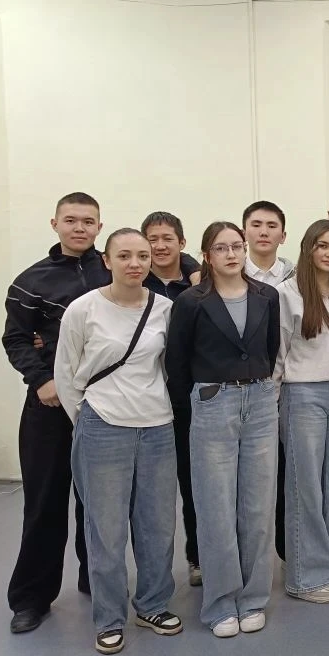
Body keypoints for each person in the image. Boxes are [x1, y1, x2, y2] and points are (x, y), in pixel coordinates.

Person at [55, 228, 182, 654]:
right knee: (105, 529)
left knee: (158, 525)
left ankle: (153, 604)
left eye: (143, 255)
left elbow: (169, 366)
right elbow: (65, 372)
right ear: (106, 261)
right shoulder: (83, 309)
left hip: (157, 426)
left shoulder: (165, 308)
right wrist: (86, 417)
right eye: (124, 255)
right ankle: (109, 617)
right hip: (103, 424)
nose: (135, 263)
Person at [2, 192, 111, 634]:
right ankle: (31, 598)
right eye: (71, 220)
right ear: (55, 224)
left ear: (100, 226)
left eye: (88, 221)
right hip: (48, 406)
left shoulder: (114, 268)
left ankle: (95, 577)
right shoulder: (31, 281)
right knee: (44, 503)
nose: (79, 228)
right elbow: (15, 339)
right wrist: (42, 380)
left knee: (99, 502)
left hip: (103, 407)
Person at [165, 221, 281, 637]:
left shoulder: (266, 296)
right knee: (215, 507)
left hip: (261, 400)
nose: (231, 254)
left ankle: (253, 598)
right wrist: (194, 405)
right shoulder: (191, 302)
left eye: (236, 246)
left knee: (257, 506)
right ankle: (220, 604)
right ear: (207, 255)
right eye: (221, 248)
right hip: (213, 401)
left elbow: (270, 348)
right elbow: (176, 363)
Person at [275, 219, 329, 605]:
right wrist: (273, 400)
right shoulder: (287, 292)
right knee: (305, 485)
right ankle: (305, 576)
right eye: (322, 246)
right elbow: (277, 353)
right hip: (302, 392)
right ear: (308, 248)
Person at [141, 211, 202, 587]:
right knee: (151, 493)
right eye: (153, 239)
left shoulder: (198, 284)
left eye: (167, 238)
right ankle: (151, 576)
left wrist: (196, 272)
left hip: (188, 399)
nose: (160, 246)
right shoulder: (134, 279)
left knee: (195, 483)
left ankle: (198, 557)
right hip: (144, 400)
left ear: (181, 242)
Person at [242, 200, 294, 563]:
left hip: (288, 386)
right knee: (248, 477)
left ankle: (288, 550)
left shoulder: (294, 277)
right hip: (244, 387)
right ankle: (248, 556)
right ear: (244, 231)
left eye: (271, 226)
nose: (264, 232)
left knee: (286, 471)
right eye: (257, 225)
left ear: (283, 235)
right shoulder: (228, 274)